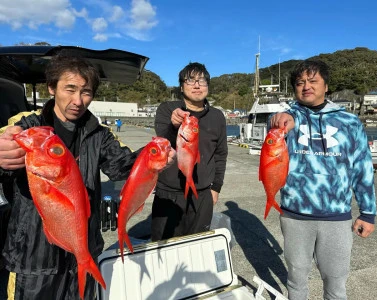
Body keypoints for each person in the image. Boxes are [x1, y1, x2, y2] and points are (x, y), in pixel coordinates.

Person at [0, 52, 174, 299]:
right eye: (69, 89)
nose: (78, 100)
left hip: (84, 250)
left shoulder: (99, 134)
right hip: (33, 257)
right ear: (52, 88)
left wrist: (156, 158)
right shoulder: (27, 127)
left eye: (86, 92)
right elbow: (4, 151)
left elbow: (123, 166)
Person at [269, 59, 377, 300]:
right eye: (300, 82)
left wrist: (368, 213)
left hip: (336, 216)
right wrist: (282, 117)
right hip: (294, 214)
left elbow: (362, 168)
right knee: (296, 279)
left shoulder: (350, 122)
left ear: (326, 86)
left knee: (336, 282)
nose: (306, 86)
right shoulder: (286, 121)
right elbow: (274, 131)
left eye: (313, 81)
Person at [151, 62, 228, 241]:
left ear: (208, 86)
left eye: (202, 81)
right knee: (163, 248)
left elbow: (221, 153)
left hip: (202, 195)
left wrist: (216, 188)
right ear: (181, 86)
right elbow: (161, 145)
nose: (196, 85)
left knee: (198, 247)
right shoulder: (168, 109)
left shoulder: (217, 116)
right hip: (168, 194)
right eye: (190, 80)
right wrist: (173, 126)